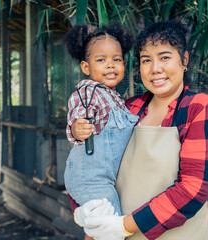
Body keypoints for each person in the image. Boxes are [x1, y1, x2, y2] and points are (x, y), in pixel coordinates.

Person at [71, 20, 208, 240]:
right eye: (146, 60)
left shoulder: (199, 108)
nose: (155, 69)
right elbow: (90, 163)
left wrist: (125, 226)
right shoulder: (126, 110)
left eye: (164, 57)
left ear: (184, 60)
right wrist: (90, 215)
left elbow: (193, 189)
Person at [63, 23, 138, 237]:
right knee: (112, 231)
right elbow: (77, 114)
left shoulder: (114, 97)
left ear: (124, 64)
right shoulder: (89, 91)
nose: (110, 65)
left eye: (116, 59)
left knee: (100, 231)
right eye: (101, 60)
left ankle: (86, 218)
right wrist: (78, 128)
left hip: (104, 178)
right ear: (86, 68)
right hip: (91, 179)